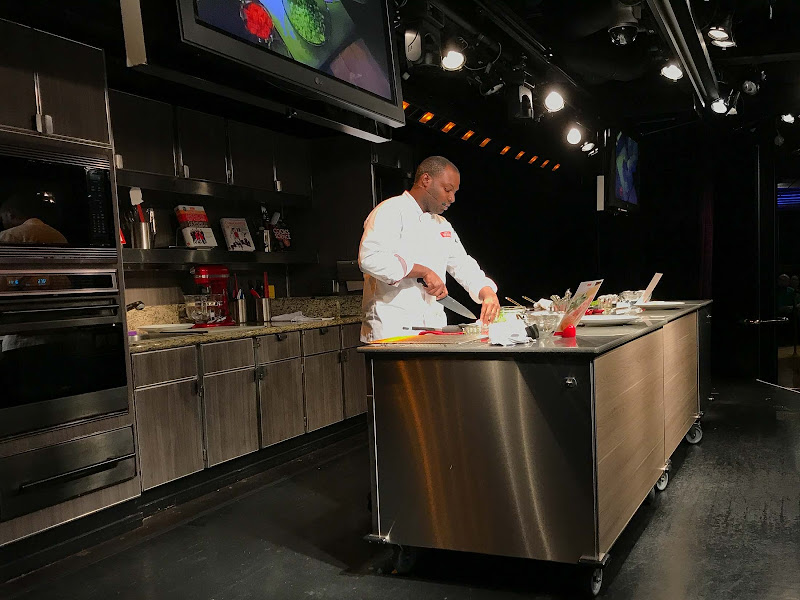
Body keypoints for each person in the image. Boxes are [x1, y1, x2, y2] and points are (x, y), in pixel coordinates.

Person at [358, 155, 500, 342]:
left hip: (432, 329)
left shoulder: (442, 224)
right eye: (447, 190)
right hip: (392, 330)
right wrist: (423, 271)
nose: (452, 198)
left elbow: (462, 264)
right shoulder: (391, 210)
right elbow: (370, 258)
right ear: (426, 180)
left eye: (454, 192)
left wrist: (486, 291)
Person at [0, 194, 67, 244]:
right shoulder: (59, 236)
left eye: (2, 218)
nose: (2, 222)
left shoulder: (6, 236)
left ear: (10, 215)